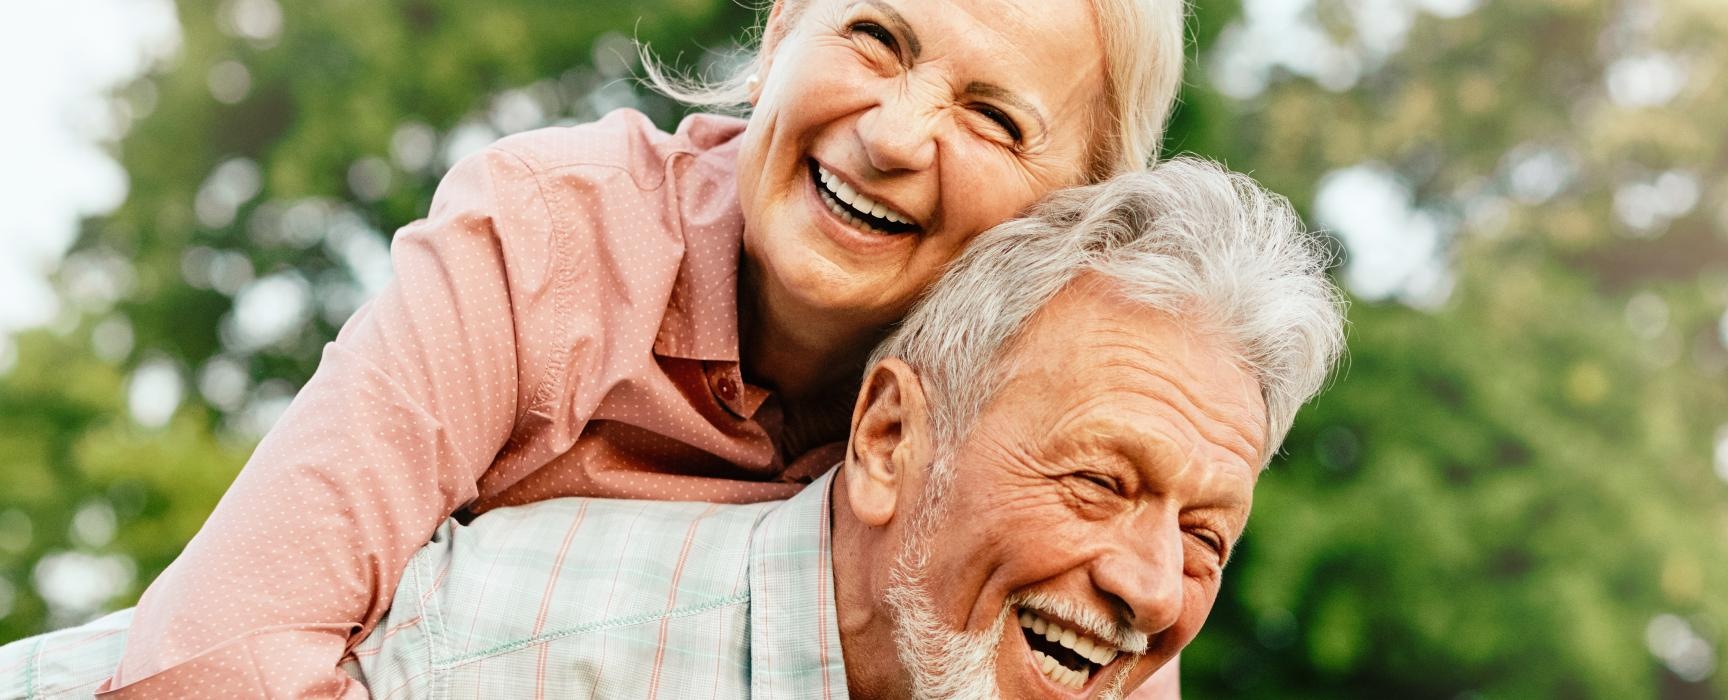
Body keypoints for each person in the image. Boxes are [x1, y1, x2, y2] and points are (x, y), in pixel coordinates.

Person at [87, 0, 1191, 696]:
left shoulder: (1061, 426)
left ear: (1072, 216)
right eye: (874, 37)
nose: (895, 135)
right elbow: (216, 661)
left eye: (993, 116)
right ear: (777, 35)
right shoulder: (545, 238)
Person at [2, 157, 1346, 699]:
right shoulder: (500, 644)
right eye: (1103, 483)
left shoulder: (1026, 652)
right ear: (887, 442)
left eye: (1208, 536)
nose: (1153, 583)